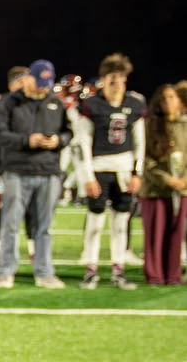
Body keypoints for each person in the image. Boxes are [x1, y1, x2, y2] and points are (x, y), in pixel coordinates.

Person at [0, 60, 70, 288]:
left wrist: (58, 141)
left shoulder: (56, 103)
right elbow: (0, 135)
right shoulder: (9, 103)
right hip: (17, 170)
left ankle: (44, 272)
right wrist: (28, 141)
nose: (44, 88)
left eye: (47, 83)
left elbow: (68, 132)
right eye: (40, 82)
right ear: (28, 78)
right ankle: (6, 271)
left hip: (49, 171)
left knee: (45, 227)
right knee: (11, 223)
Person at [71, 54, 146, 289]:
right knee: (95, 222)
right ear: (103, 79)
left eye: (121, 78)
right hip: (99, 167)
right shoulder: (92, 105)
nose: (117, 84)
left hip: (124, 169)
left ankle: (118, 269)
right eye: (112, 78)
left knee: (121, 222)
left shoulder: (134, 103)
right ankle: (91, 269)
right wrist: (87, 176)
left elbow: (140, 141)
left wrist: (137, 172)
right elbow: (82, 142)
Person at [0, 66, 34, 263]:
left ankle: (33, 250)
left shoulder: (33, 104)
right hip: (1, 168)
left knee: (30, 209)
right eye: (22, 82)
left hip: (27, 165)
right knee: (0, 207)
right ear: (13, 84)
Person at [140, 84, 187, 285]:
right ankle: (155, 274)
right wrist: (166, 179)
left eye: (172, 97)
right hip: (155, 189)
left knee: (177, 233)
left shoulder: (184, 126)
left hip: (181, 188)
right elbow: (146, 159)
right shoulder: (150, 126)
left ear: (180, 101)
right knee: (155, 234)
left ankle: (173, 274)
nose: (168, 101)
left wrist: (184, 180)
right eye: (164, 98)